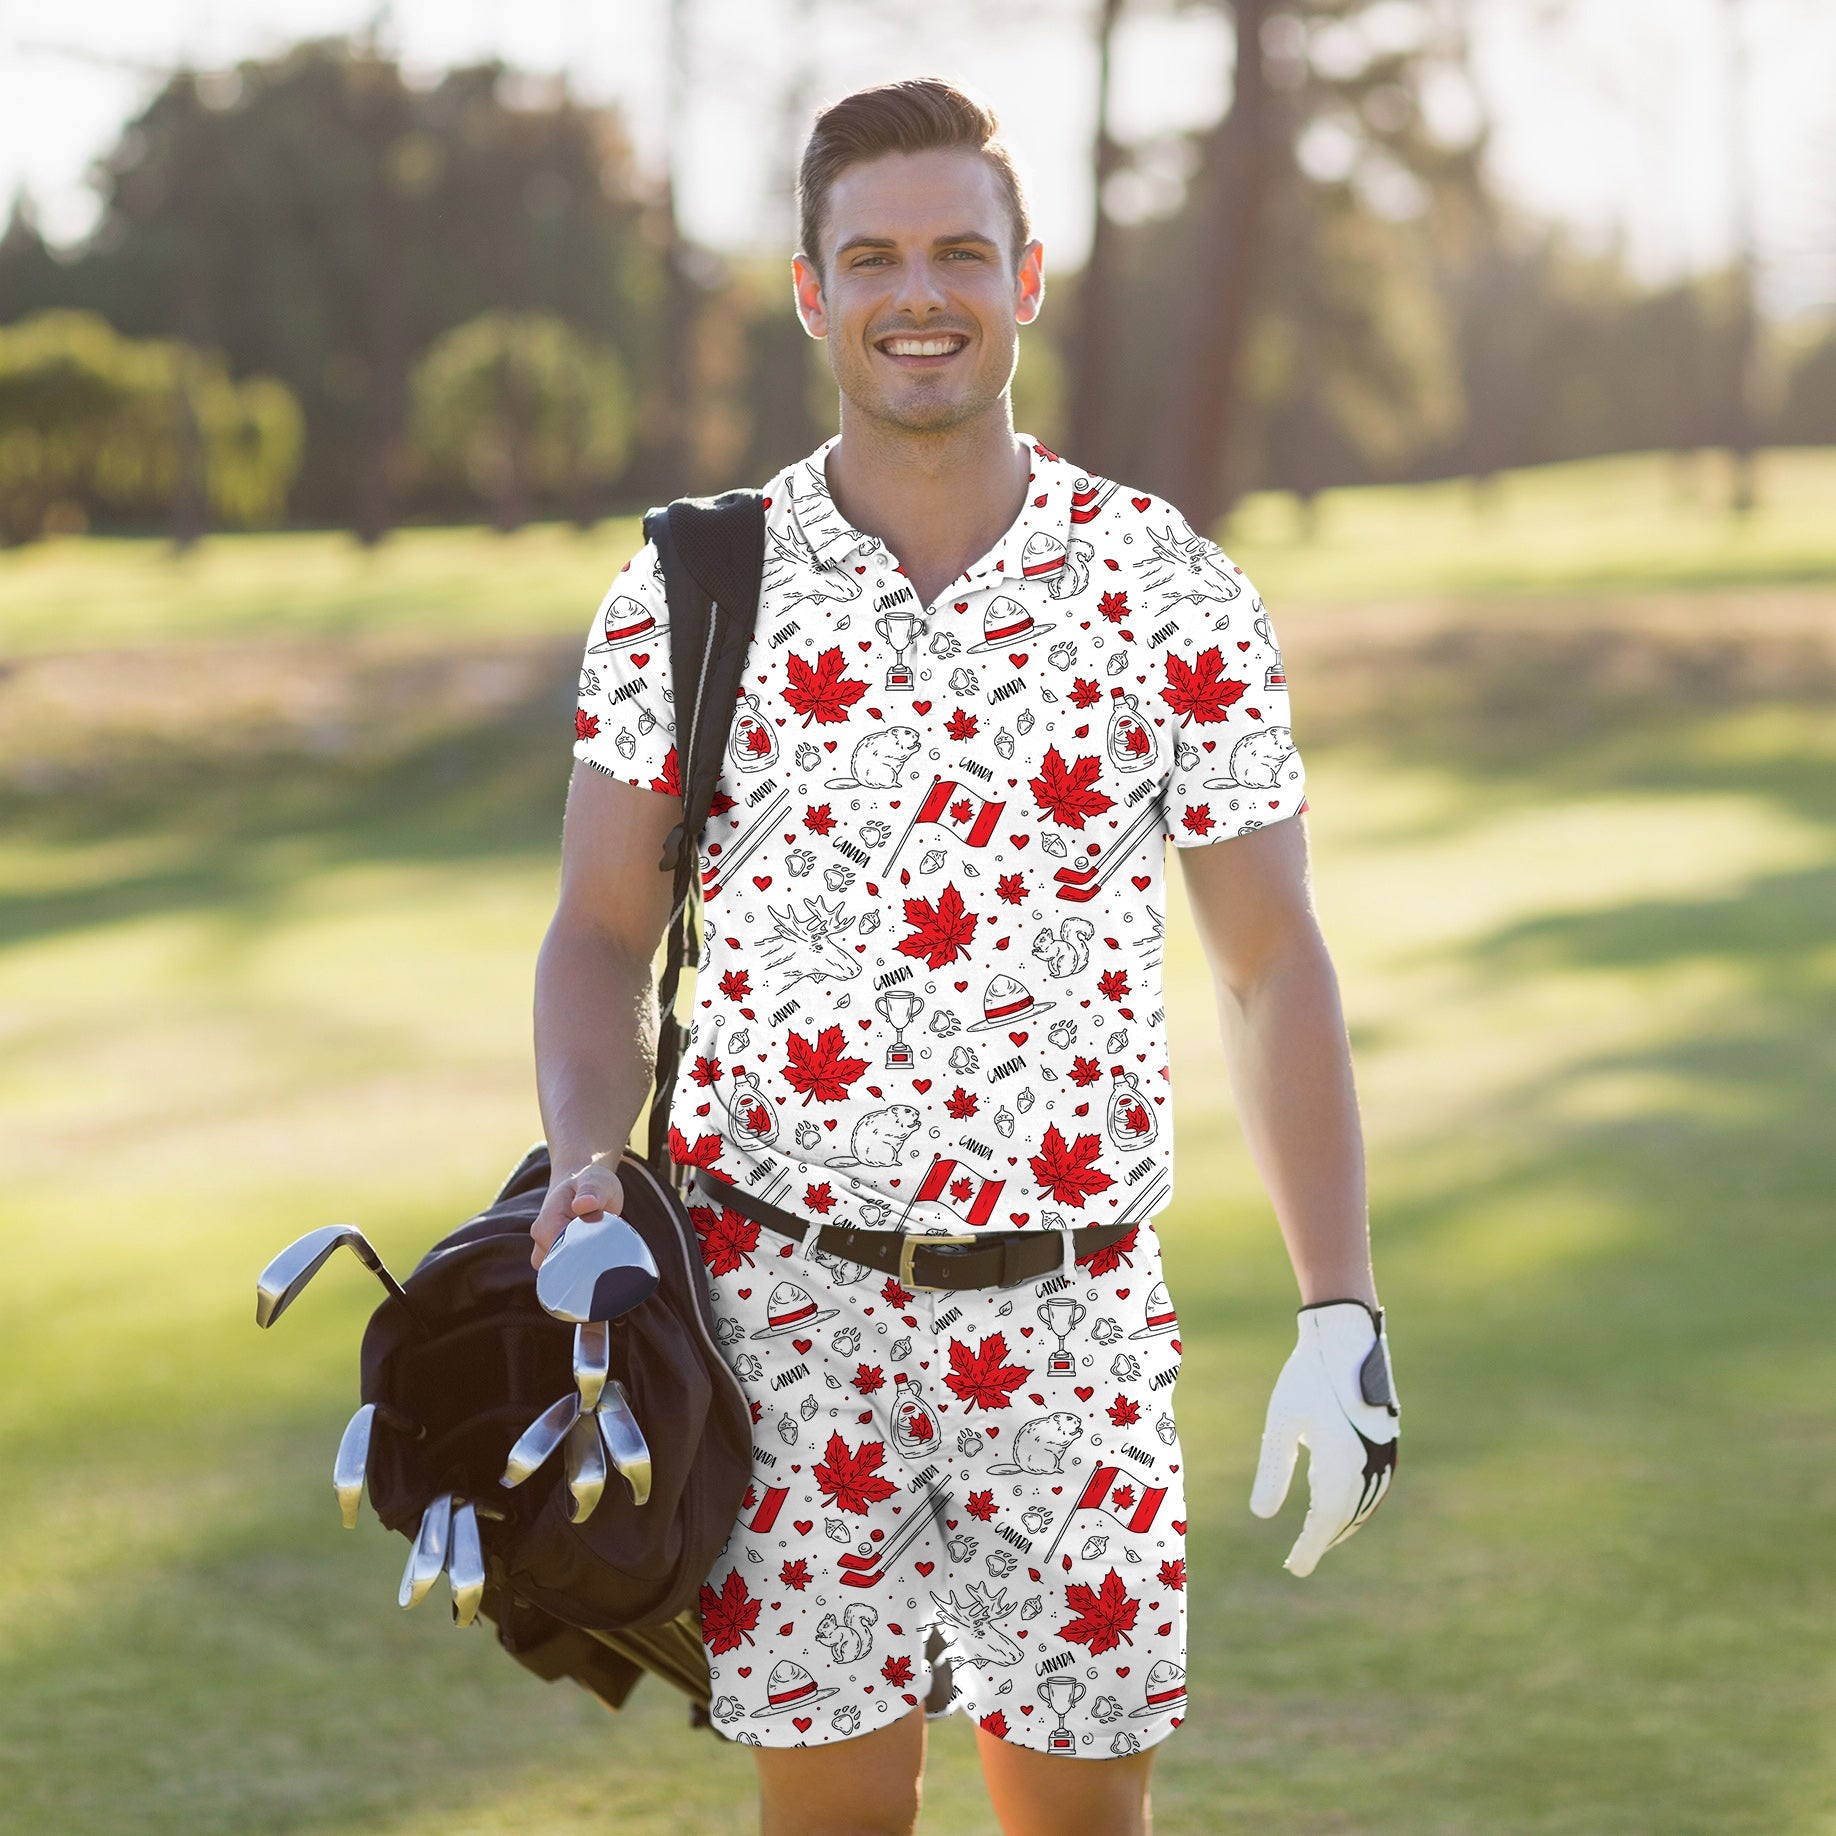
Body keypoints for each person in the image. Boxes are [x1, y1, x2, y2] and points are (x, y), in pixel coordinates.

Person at [532, 76, 1396, 1836]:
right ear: (810, 290)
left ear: (1030, 275)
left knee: (1082, 1820)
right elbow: (601, 929)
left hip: (1074, 1320)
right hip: (778, 1315)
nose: (917, 291)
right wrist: (578, 1163)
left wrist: (1342, 1309)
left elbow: (1269, 966)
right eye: (873, 257)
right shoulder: (699, 585)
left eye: (956, 252)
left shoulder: (1169, 588)